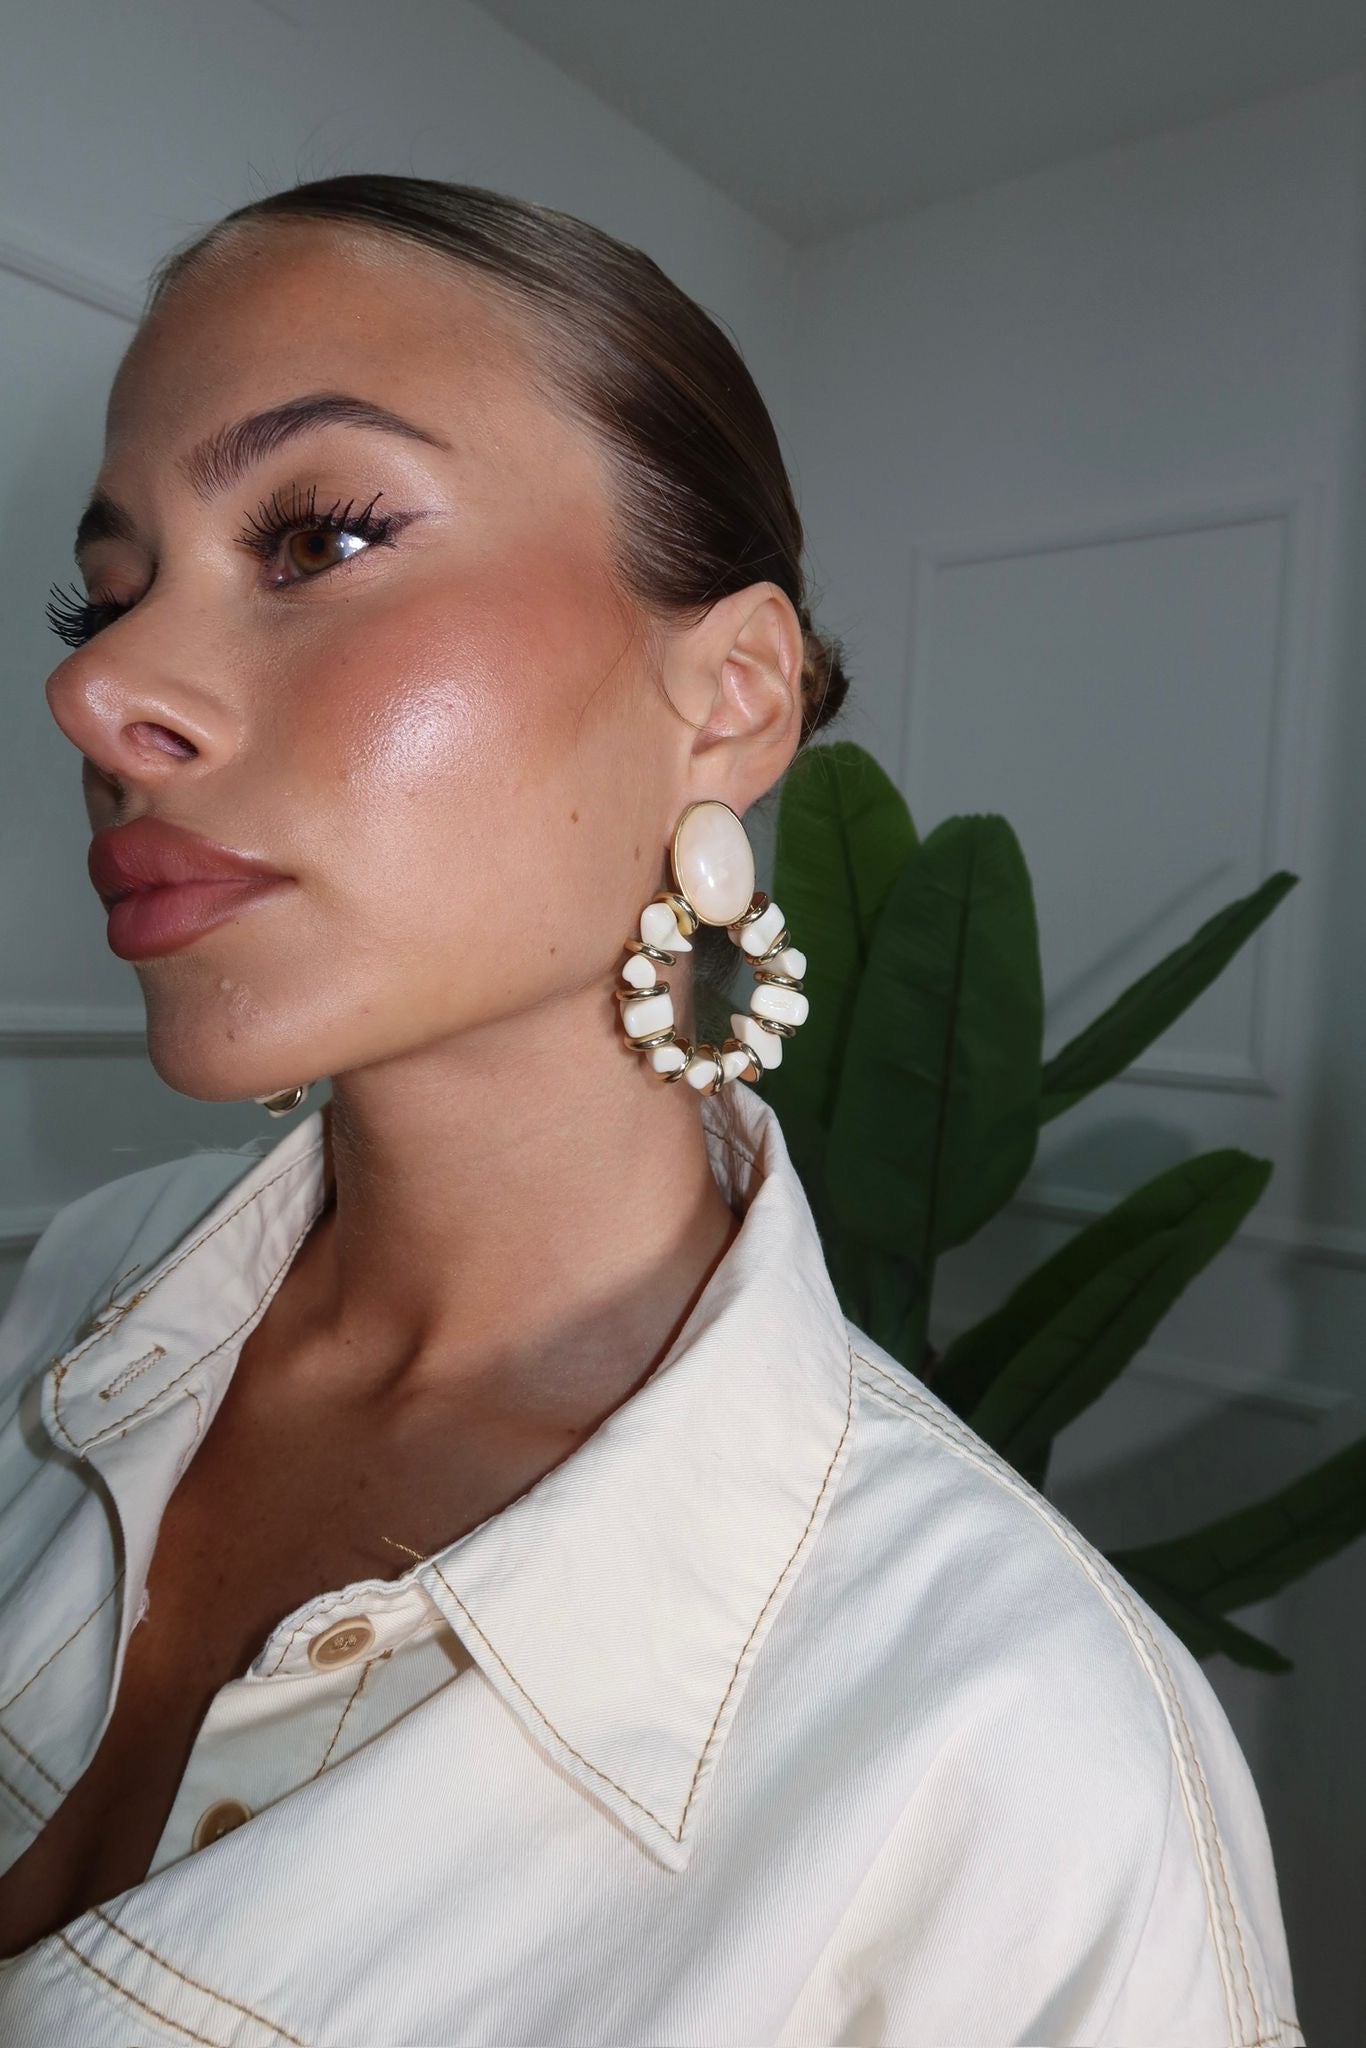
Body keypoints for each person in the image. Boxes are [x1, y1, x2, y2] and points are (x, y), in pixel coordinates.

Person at [0, 174, 1301, 2047]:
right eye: (108, 593)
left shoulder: (1023, 1767)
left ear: (729, 699)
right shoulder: (82, 1287)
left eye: (317, 537)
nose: (95, 686)